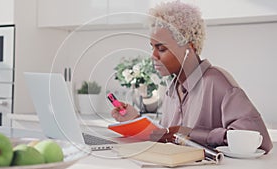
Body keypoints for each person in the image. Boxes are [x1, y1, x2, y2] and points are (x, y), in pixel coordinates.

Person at [111, 0, 273, 153]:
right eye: (152, 47)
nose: (153, 56)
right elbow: (166, 135)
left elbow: (261, 141)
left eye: (161, 49)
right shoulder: (172, 89)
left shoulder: (217, 82)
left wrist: (189, 133)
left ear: (188, 48)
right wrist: (136, 119)